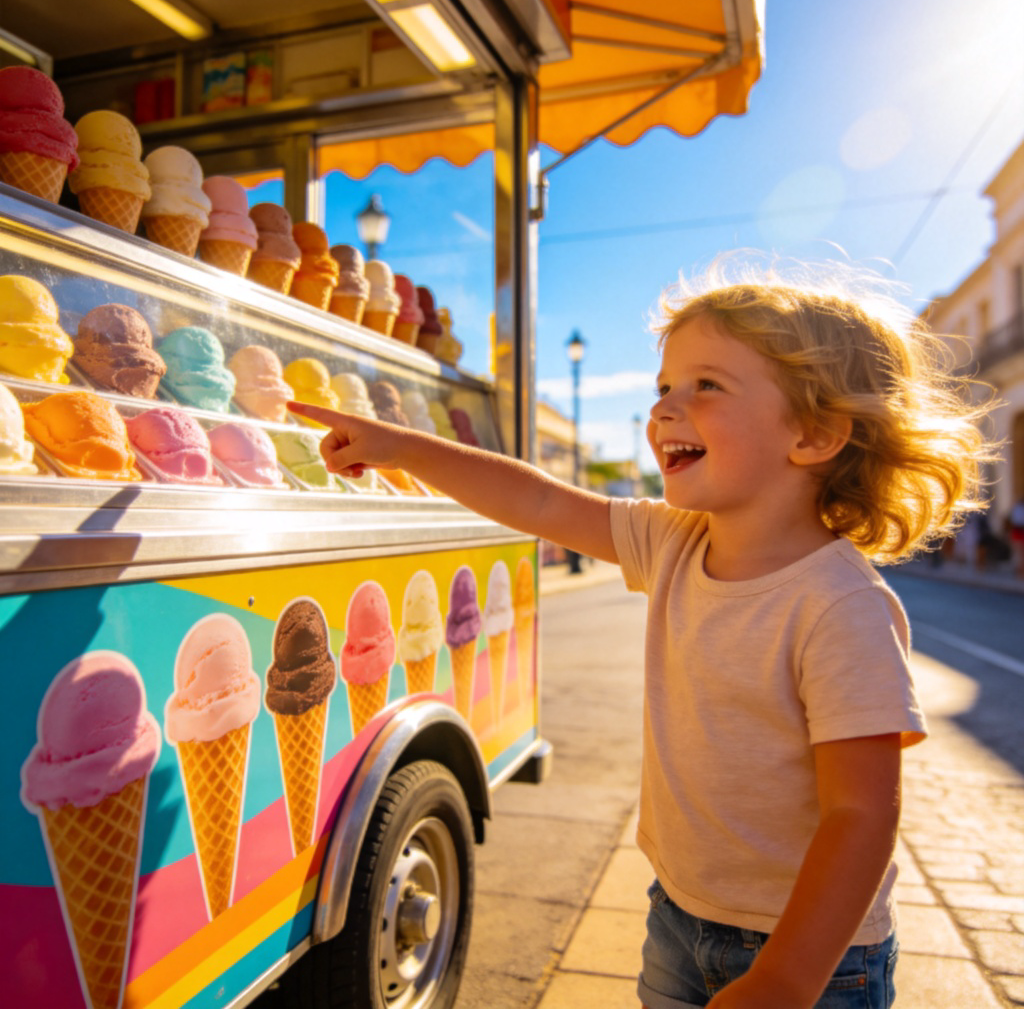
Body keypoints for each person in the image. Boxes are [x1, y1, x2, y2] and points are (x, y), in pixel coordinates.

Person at [291, 255, 998, 1009]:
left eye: (706, 386)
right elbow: (538, 501)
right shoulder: (676, 541)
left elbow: (862, 816)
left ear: (816, 435)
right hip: (678, 915)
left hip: (813, 955)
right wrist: (403, 447)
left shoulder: (840, 605)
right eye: (664, 386)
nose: (663, 409)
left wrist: (788, 977)